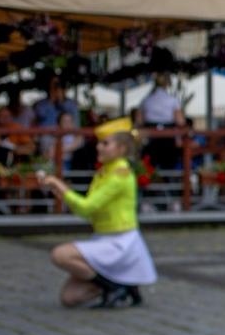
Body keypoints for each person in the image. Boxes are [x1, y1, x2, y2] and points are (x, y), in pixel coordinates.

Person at [41, 118, 156, 308]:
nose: (99, 148)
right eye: (99, 143)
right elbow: (87, 210)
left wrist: (59, 186)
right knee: (70, 298)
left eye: (105, 143)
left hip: (119, 241)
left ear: (121, 148)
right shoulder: (106, 171)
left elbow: (86, 207)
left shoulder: (119, 174)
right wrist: (59, 190)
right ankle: (122, 285)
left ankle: (113, 287)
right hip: (104, 238)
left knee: (60, 255)